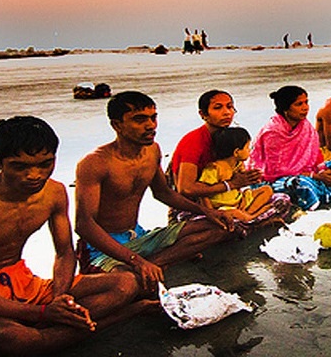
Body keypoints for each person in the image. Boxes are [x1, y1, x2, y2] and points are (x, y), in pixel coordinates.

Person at [0, 116, 143, 355]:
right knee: (15, 338)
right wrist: (42, 313)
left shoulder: (54, 192)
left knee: (125, 283)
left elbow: (65, 252)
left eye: (45, 164)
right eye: (20, 167)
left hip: (26, 284)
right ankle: (109, 319)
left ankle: (51, 332)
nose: (35, 175)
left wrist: (60, 299)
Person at [74, 92, 236, 293]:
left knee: (220, 226)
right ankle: (143, 267)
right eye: (140, 120)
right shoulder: (95, 163)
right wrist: (137, 260)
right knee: (126, 286)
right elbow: (84, 225)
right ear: (117, 125)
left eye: (153, 118)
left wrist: (208, 212)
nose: (150, 125)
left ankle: (152, 265)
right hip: (103, 248)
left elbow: (163, 193)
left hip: (138, 236)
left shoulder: (152, 151)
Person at [251, 86, 331, 210]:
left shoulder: (305, 126)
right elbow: (276, 172)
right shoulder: (273, 133)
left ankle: (327, 190)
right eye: (299, 104)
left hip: (307, 173)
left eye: (306, 102)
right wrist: (315, 176)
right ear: (286, 109)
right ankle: (327, 191)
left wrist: (323, 171)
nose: (305, 107)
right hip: (275, 180)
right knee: (300, 184)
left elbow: (315, 154)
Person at [169, 90, 265, 223]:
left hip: (228, 200)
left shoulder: (230, 137)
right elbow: (186, 189)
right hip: (196, 206)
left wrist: (248, 178)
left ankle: (243, 217)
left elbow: (235, 172)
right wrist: (231, 184)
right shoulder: (193, 141)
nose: (227, 112)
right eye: (218, 108)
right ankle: (244, 219)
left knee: (281, 200)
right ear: (203, 114)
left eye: (230, 107)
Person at [199, 127, 290, 224]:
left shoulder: (238, 164)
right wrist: (211, 212)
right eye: (247, 147)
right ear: (236, 152)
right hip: (223, 207)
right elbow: (202, 193)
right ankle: (251, 217)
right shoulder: (214, 168)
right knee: (234, 213)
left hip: (239, 200)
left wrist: (253, 177)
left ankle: (246, 214)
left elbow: (242, 182)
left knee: (267, 190)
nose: (249, 150)